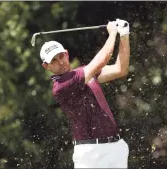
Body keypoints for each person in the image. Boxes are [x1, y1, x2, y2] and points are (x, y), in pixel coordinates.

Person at [40, 18, 130, 168]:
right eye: (54, 60)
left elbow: (120, 69)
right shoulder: (61, 86)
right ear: (46, 66)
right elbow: (103, 58)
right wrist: (113, 33)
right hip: (90, 154)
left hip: (115, 147)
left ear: (67, 54)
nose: (60, 62)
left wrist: (124, 35)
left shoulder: (84, 73)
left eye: (61, 56)